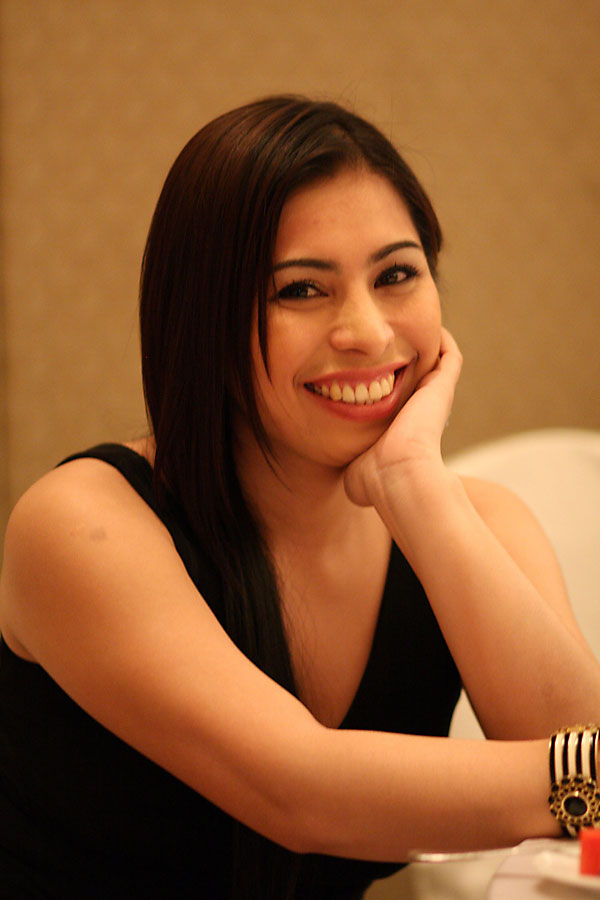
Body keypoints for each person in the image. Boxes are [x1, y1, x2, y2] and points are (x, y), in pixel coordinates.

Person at [1, 95, 599, 900]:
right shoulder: (82, 524)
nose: (367, 332)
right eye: (301, 291)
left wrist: (415, 484)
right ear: (205, 319)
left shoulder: (476, 521)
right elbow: (303, 793)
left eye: (396, 275)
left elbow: (578, 788)